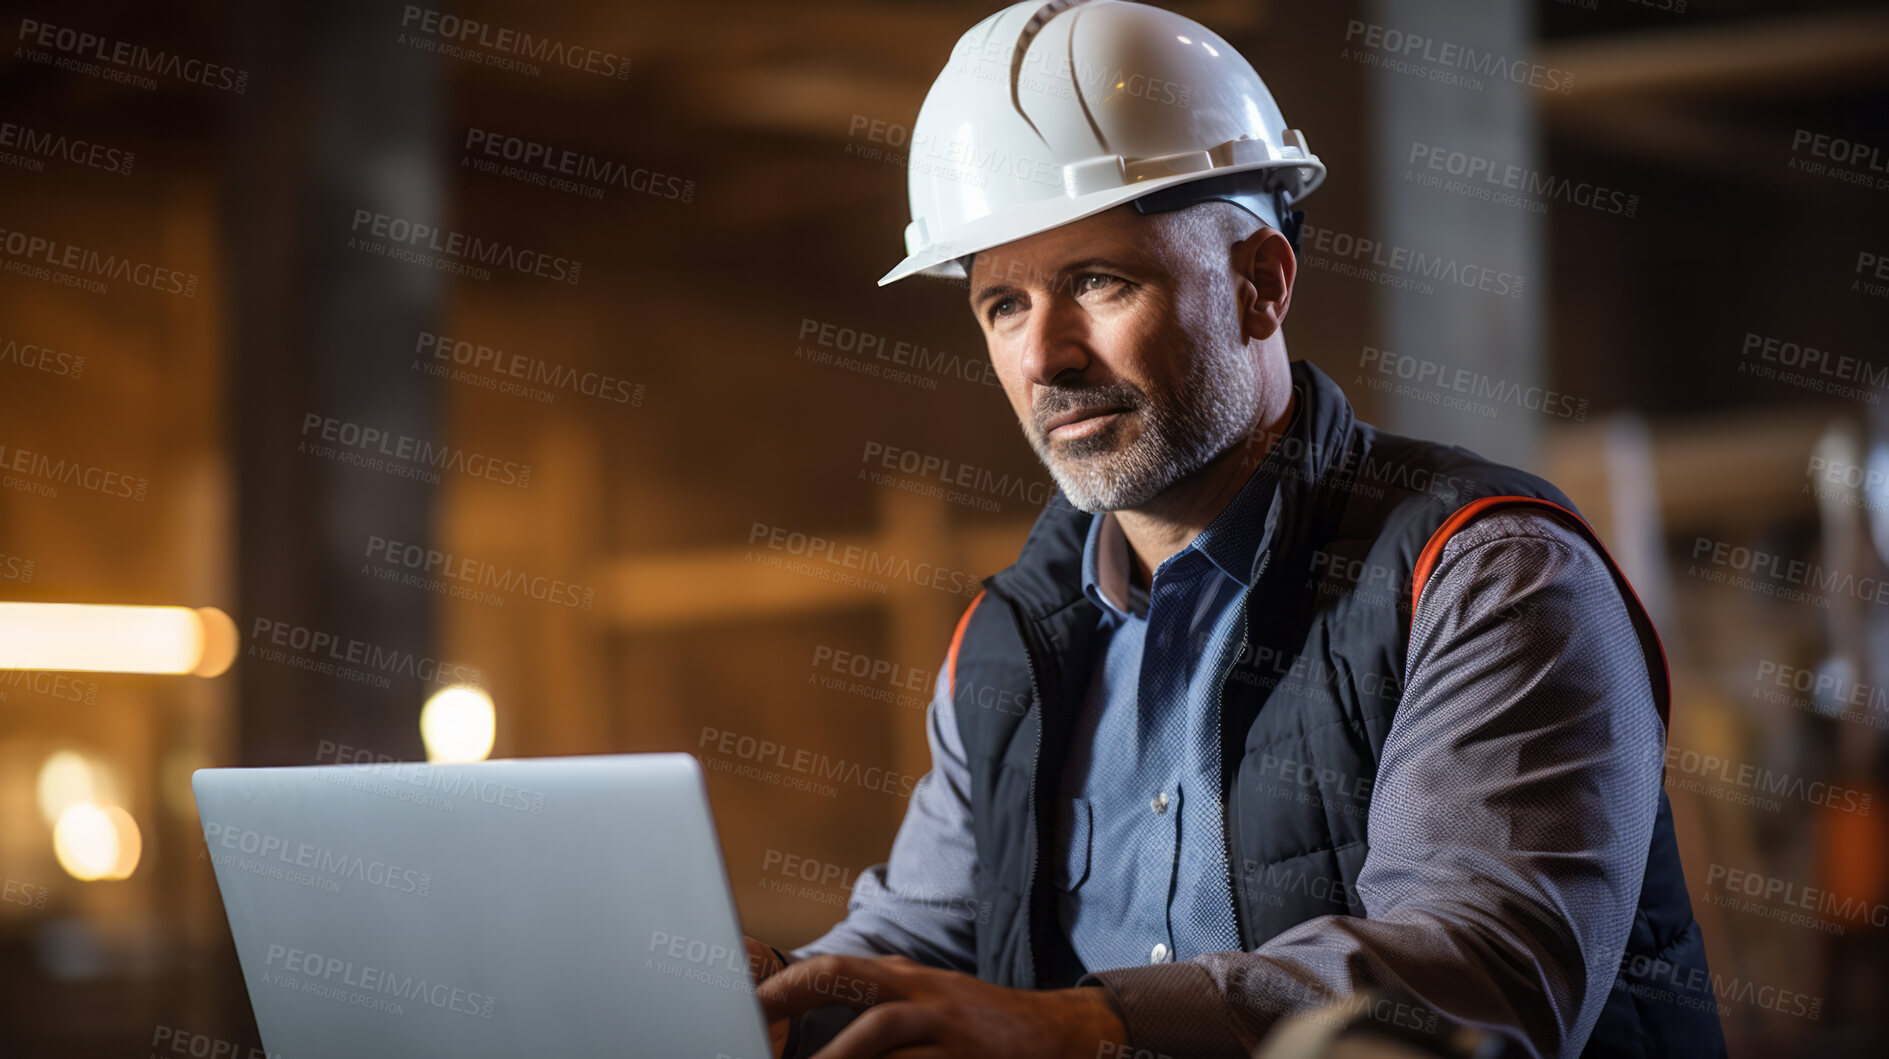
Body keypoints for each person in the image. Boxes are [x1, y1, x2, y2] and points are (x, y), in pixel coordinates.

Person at [746, 3, 1726, 1056]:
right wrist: (769, 999)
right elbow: (926, 946)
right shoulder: (1007, 640)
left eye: (1096, 282)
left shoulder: (1483, 577)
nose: (1044, 358)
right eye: (1002, 306)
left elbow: (1476, 970)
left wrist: (1083, 1027)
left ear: (1259, 285)